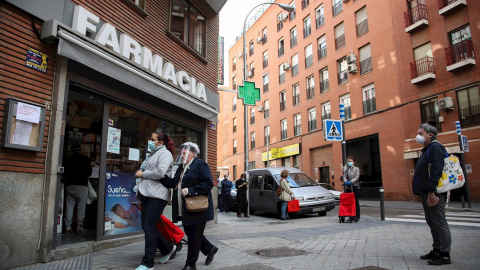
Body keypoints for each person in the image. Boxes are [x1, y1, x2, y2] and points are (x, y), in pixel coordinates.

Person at [160, 142, 217, 270]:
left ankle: (190, 265)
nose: (182, 154)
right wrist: (160, 176)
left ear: (193, 153)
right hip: (185, 208)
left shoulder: (200, 164)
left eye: (185, 152)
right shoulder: (181, 168)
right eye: (181, 153)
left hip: (198, 208)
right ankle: (210, 249)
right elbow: (173, 183)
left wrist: (191, 190)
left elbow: (208, 184)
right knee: (192, 234)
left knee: (193, 237)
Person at [134, 132, 177, 270]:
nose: (150, 141)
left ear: (161, 142)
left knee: (149, 227)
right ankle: (167, 248)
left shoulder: (165, 154)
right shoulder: (151, 154)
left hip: (157, 195)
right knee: (147, 227)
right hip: (146, 194)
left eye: (153, 139)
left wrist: (143, 173)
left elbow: (160, 173)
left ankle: (148, 263)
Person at [412, 122, 452, 265]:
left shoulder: (435, 147)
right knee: (432, 221)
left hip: (433, 192)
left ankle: (445, 255)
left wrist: (431, 191)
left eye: (421, 134)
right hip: (426, 192)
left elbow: (436, 169)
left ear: (430, 135)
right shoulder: (427, 148)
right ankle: (436, 250)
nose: (418, 136)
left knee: (439, 222)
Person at [63, 143, 92, 233]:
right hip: (81, 185)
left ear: (72, 150)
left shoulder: (68, 159)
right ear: (80, 150)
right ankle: (79, 226)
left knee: (69, 206)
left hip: (70, 185)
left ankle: (68, 227)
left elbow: (64, 173)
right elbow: (89, 172)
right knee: (81, 206)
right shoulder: (85, 159)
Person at [343, 156, 360, 222]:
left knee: (356, 201)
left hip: (354, 186)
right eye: (348, 161)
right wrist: (345, 181)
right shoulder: (346, 169)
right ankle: (350, 216)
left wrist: (351, 182)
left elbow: (357, 177)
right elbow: (344, 176)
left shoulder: (356, 169)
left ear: (353, 162)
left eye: (350, 161)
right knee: (349, 202)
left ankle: (357, 216)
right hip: (348, 187)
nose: (349, 162)